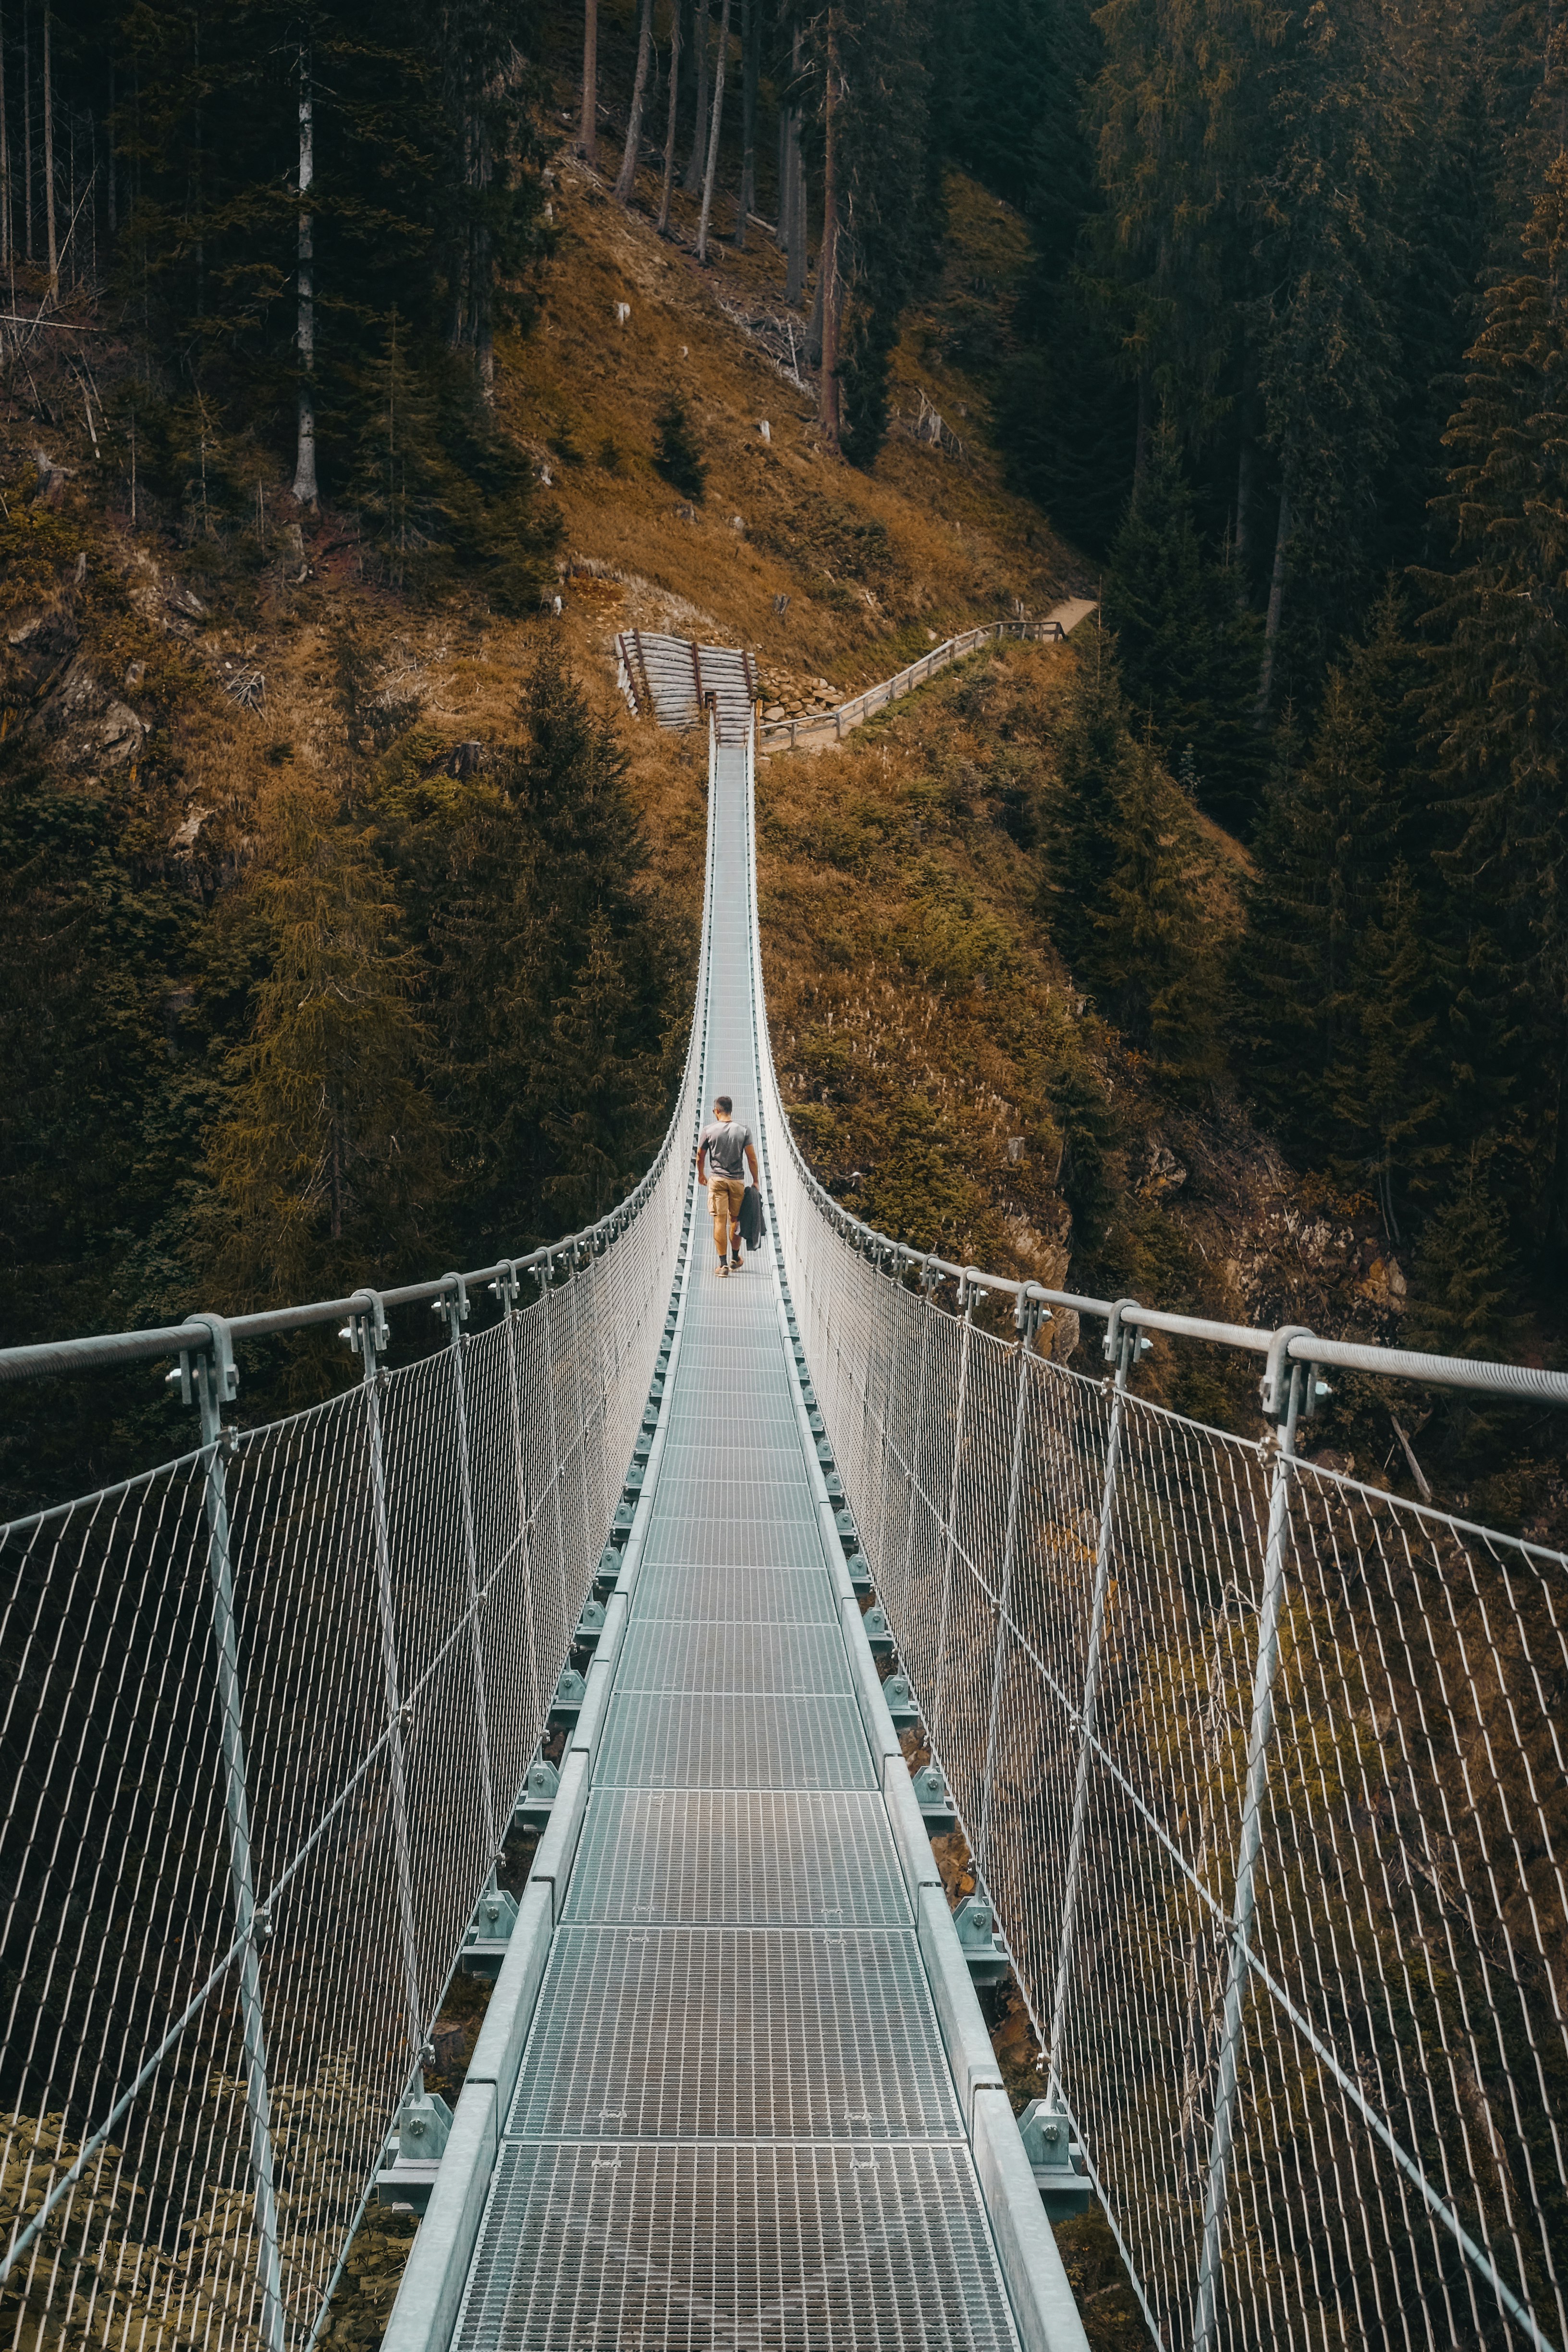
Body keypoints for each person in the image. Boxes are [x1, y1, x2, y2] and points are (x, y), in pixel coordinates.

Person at [696, 1095, 759, 1276]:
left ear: (716, 1111)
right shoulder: (744, 1131)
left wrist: (701, 1175)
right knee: (735, 1220)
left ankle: (723, 1266)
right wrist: (755, 1181)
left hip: (717, 1181)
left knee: (719, 1221)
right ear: (731, 1111)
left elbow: (700, 1156)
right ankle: (735, 1258)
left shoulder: (708, 1131)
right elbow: (752, 1158)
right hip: (737, 1181)